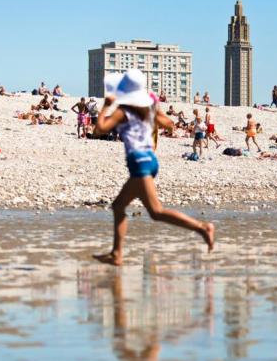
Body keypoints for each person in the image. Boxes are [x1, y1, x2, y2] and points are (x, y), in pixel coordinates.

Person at [91, 70, 214, 266]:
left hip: (140, 162)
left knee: (156, 212)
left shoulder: (123, 112)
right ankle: (116, 254)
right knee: (118, 206)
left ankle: (202, 228)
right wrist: (155, 111)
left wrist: (105, 106)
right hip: (149, 160)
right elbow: (170, 124)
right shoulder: (148, 110)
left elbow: (98, 130)